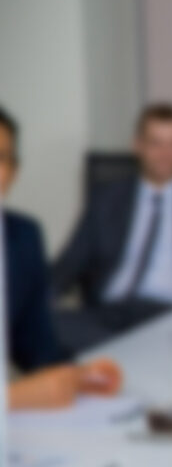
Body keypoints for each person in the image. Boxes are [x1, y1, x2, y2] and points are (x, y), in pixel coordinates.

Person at [51, 103, 172, 353]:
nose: (166, 153)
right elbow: (68, 265)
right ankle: (129, 358)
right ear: (138, 145)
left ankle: (119, 361)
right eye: (156, 143)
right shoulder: (107, 199)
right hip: (107, 317)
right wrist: (34, 305)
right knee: (48, 325)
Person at [0, 106, 121, 408]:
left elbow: (35, 347)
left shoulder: (22, 237)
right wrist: (12, 398)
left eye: (1, 157)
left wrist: (77, 376)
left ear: (13, 171)